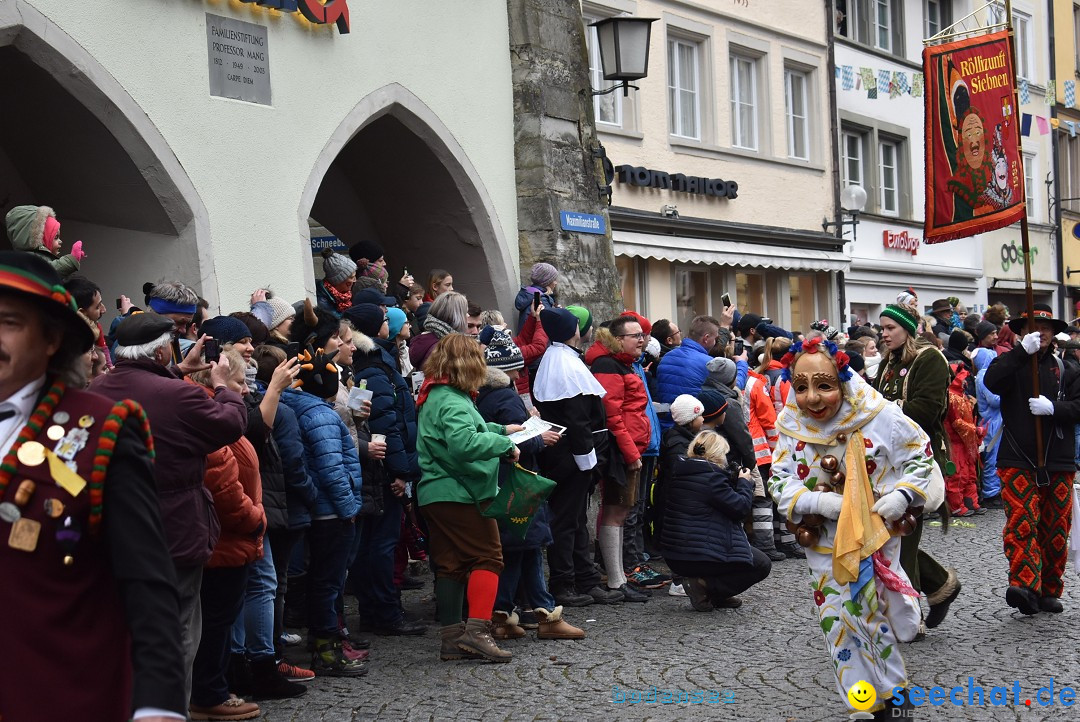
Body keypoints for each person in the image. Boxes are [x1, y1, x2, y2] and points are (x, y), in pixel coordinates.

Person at [0, 252, 185, 722]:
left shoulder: (101, 428)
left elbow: (146, 579)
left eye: (7, 322)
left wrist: (158, 705)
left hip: (58, 692)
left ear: (52, 340)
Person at [92, 311, 248, 707]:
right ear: (162, 349)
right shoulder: (181, 395)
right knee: (177, 630)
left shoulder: (95, 389)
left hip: (110, 529)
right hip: (173, 528)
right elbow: (230, 423)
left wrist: (177, 370)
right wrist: (221, 384)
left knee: (121, 627)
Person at [770, 339, 930, 718]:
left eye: (824, 385)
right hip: (822, 544)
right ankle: (865, 704)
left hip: (873, 538)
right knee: (836, 626)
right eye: (801, 386)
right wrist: (818, 502)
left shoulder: (879, 415)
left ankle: (894, 695)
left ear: (843, 381)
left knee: (867, 616)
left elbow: (919, 453)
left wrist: (904, 495)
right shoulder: (792, 425)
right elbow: (779, 480)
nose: (812, 397)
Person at [415, 334, 522, 662]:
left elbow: (462, 432)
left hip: (438, 493)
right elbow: (463, 443)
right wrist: (505, 445)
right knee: (488, 558)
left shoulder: (438, 394)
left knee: (450, 565)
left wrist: (501, 430)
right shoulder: (451, 398)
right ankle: (477, 633)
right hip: (460, 494)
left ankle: (452, 638)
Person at [475, 328, 585, 641]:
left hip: (501, 483)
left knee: (517, 551)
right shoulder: (506, 398)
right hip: (517, 483)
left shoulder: (484, 395)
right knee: (528, 546)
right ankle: (543, 614)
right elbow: (516, 443)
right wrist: (542, 438)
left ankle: (508, 615)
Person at [279, 302, 365, 676]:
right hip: (331, 511)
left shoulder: (296, 405)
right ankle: (328, 650)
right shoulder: (321, 415)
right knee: (328, 582)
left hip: (321, 510)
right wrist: (347, 507)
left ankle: (326, 643)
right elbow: (331, 468)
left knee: (322, 581)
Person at [983, 304, 1080, 615]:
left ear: (1053, 334)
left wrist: (1054, 408)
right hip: (1017, 457)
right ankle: (1025, 585)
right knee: (1021, 523)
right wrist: (1019, 355)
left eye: (1045, 327)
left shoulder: (1067, 369)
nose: (1040, 332)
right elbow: (992, 382)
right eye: (1031, 327)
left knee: (1055, 528)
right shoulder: (1009, 363)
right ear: (1022, 331)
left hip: (1058, 460)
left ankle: (1050, 588)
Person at [187, 349, 267, 720]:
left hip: (229, 539)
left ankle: (212, 687)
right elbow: (222, 486)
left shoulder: (212, 414)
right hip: (225, 539)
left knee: (218, 619)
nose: (246, 391)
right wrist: (254, 519)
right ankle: (209, 694)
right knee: (215, 622)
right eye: (238, 383)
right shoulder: (212, 420)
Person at [873, 303, 960, 632]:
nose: (883, 334)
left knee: (901, 535)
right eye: (881, 328)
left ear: (907, 329)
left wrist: (882, 410)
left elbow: (925, 411)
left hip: (918, 460)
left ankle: (906, 618)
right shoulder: (888, 362)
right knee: (889, 537)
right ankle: (940, 586)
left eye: (890, 328)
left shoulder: (930, 359)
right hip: (886, 462)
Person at [533, 307, 622, 607]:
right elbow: (578, 420)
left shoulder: (562, 359)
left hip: (571, 455)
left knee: (576, 519)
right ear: (574, 330)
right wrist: (589, 462)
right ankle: (564, 583)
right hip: (571, 456)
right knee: (565, 521)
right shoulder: (564, 365)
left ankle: (583, 578)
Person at [347, 304, 426, 636]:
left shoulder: (376, 362)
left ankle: (378, 610)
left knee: (378, 544)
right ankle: (384, 612)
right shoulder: (375, 368)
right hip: (382, 470)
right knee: (381, 544)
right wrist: (400, 471)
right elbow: (383, 423)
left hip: (381, 466)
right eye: (383, 320)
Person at [663, 431, 770, 611]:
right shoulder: (712, 478)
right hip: (699, 554)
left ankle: (714, 594)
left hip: (676, 554)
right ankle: (705, 587)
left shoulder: (681, 470)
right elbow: (740, 508)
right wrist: (744, 483)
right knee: (761, 563)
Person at [584, 318, 652, 603]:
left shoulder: (618, 363)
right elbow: (612, 416)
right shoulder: (608, 365)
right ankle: (616, 580)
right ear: (618, 338)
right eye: (635, 335)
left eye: (642, 335)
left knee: (622, 510)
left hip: (627, 448)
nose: (641, 340)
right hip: (618, 451)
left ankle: (619, 577)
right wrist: (631, 452)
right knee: (616, 510)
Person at [656, 315, 722, 426]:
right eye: (715, 339)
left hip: (665, 425)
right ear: (706, 338)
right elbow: (728, 387)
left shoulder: (666, 357)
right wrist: (742, 365)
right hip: (692, 426)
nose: (715, 342)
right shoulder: (709, 363)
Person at [943, 363, 983, 517]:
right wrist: (975, 430)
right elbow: (957, 423)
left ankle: (970, 501)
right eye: (962, 378)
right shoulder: (951, 397)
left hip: (966, 442)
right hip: (956, 442)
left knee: (970, 473)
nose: (966, 381)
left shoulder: (961, 395)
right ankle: (956, 506)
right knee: (957, 475)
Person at [4, 204, 84, 278]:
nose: (60, 241)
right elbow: (45, 271)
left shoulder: (43, 258)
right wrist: (70, 261)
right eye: (56, 237)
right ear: (40, 238)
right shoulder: (27, 258)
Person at [972, 347, 1003, 508]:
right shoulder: (985, 375)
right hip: (992, 422)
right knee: (992, 457)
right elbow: (994, 400)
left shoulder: (982, 375)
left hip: (992, 420)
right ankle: (991, 493)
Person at [409, 291, 468, 370]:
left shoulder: (433, 341)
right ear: (454, 317)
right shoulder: (442, 349)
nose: (468, 316)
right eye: (465, 312)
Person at [513, 262, 558, 332]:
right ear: (546, 281)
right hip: (537, 341)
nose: (556, 283)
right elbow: (548, 326)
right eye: (554, 279)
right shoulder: (541, 299)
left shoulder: (529, 292)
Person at [316, 249, 358, 317]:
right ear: (339, 280)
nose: (354, 280)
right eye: (351, 277)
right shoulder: (322, 303)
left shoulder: (343, 296)